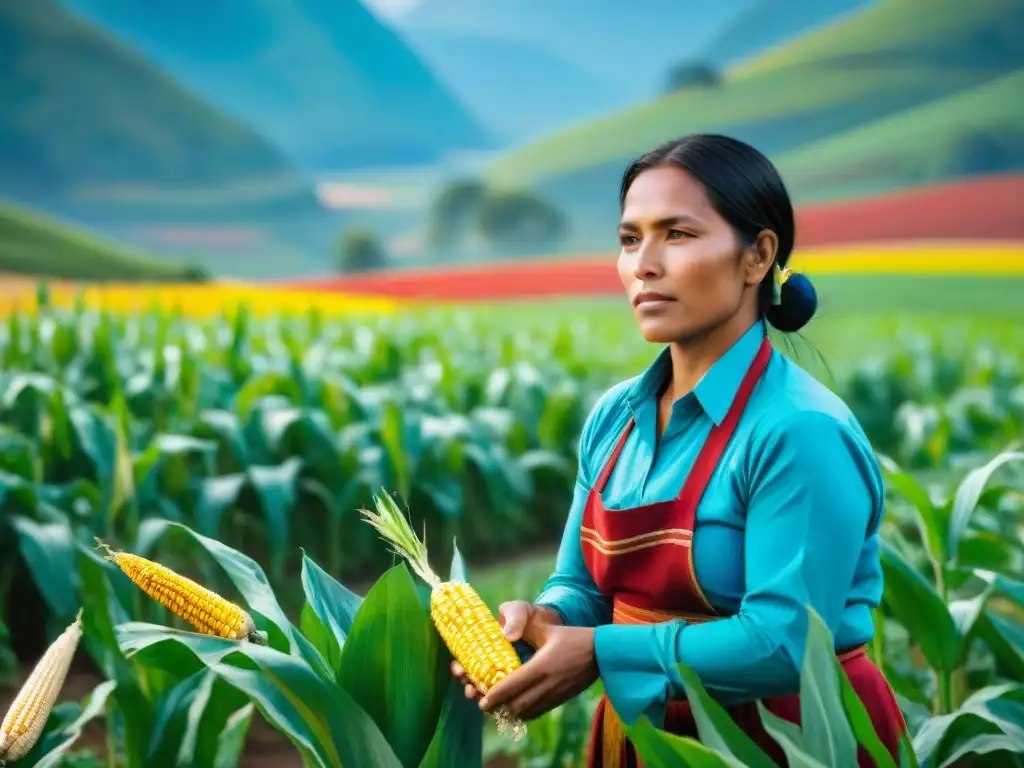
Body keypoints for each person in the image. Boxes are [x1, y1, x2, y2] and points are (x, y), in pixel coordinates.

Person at [450, 133, 907, 767]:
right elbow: (580, 583)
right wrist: (544, 619)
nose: (644, 264)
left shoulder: (799, 432)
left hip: (789, 741)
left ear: (757, 257)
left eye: (678, 235)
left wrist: (600, 653)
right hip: (645, 739)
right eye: (630, 238)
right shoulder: (615, 418)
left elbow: (785, 644)